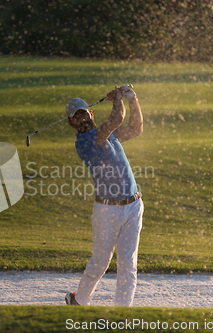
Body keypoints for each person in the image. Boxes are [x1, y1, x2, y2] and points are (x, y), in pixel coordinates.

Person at [65, 86, 144, 306]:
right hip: (106, 210)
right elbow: (117, 117)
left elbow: (136, 128)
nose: (81, 118)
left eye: (83, 113)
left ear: (90, 113)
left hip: (133, 206)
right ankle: (80, 299)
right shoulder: (85, 141)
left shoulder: (108, 134)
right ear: (71, 123)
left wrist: (133, 100)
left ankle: (121, 315)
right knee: (100, 262)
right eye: (76, 117)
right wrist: (118, 96)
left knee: (128, 264)